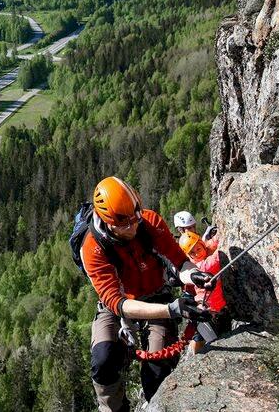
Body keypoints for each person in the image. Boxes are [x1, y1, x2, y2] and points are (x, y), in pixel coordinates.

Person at [81, 177, 213, 412]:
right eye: (125, 225)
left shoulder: (149, 222)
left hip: (156, 295)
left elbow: (179, 261)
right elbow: (117, 303)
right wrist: (172, 309)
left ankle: (156, 404)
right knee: (103, 361)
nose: (133, 228)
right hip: (118, 305)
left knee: (158, 367)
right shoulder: (93, 248)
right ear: (107, 222)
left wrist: (194, 275)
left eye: (135, 220)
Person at [178, 230, 230, 352]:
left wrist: (216, 236)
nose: (197, 254)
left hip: (216, 307)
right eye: (192, 253)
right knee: (212, 338)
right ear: (189, 255)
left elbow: (211, 243)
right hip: (210, 308)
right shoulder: (199, 267)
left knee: (217, 335)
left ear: (202, 244)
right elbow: (216, 258)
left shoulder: (205, 249)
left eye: (198, 249)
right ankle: (195, 354)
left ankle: (195, 350)